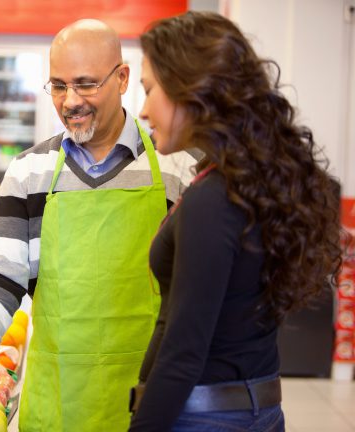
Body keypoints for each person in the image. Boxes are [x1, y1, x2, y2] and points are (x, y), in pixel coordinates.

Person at [0, 19, 197, 431]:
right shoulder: (29, 172)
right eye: (58, 86)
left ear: (123, 79)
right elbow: (1, 272)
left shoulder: (176, 170)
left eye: (85, 84)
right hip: (57, 403)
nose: (70, 101)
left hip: (150, 402)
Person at [128, 11, 343, 432]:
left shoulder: (213, 199)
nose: (143, 109)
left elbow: (184, 351)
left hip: (203, 417)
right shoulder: (253, 183)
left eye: (150, 89)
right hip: (256, 405)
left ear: (190, 90)